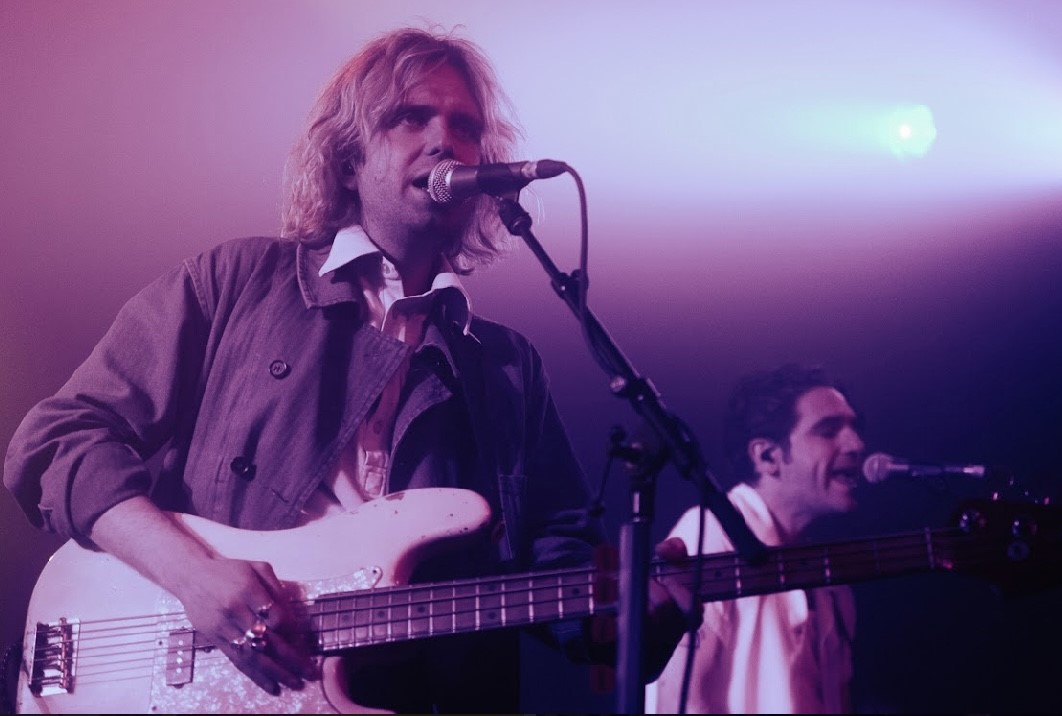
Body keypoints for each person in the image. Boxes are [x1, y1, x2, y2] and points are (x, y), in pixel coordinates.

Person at [3, 27, 688, 713]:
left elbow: (561, 564)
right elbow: (57, 441)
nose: (445, 140)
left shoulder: (507, 367)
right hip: (205, 680)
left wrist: (634, 615)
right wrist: (194, 575)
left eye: (465, 126)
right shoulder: (238, 282)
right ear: (350, 159)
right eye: (410, 117)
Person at [647, 364, 864, 714]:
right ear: (767, 456)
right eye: (828, 431)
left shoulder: (832, 582)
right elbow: (678, 703)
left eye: (854, 428)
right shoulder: (708, 533)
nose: (856, 444)